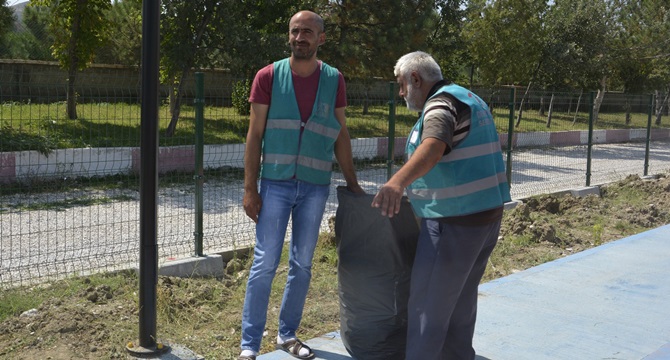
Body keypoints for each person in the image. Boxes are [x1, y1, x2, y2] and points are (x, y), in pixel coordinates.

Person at [239, 10, 364, 360]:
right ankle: (249, 345)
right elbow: (254, 135)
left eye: (308, 32)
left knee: (303, 264)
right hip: (275, 186)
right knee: (264, 262)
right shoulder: (268, 76)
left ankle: (287, 335)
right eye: (295, 31)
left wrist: (353, 183)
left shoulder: (334, 79)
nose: (300, 38)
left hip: (314, 187)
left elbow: (340, 133)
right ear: (289, 36)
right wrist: (251, 188)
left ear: (321, 38)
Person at [371, 51, 511, 360]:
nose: (401, 93)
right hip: (485, 217)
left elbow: (433, 146)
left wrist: (397, 182)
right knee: (460, 300)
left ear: (416, 79)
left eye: (402, 85)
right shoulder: (469, 98)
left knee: (428, 306)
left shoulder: (440, 104)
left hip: (454, 223)